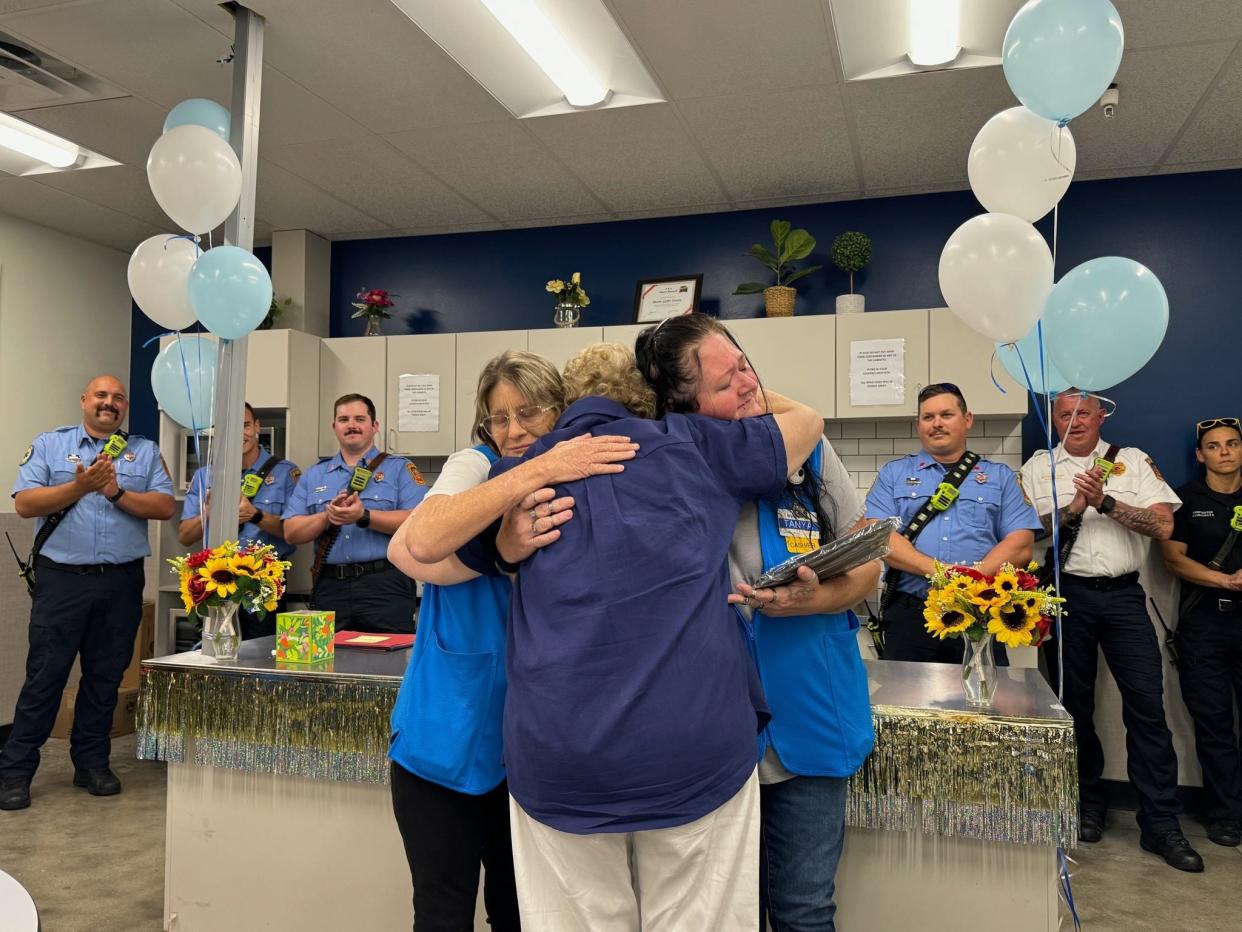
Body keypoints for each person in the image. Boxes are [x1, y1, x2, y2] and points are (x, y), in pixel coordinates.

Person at [460, 342, 824, 931]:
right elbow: (805, 424)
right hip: (693, 747)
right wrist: (738, 383)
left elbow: (429, 548)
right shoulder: (695, 442)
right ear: (653, 398)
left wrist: (508, 537)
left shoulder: (523, 473)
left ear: (565, 402)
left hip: (560, 755)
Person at [634, 313, 880, 932]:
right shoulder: (670, 461)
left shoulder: (810, 450)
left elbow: (869, 565)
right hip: (710, 730)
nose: (746, 384)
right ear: (683, 406)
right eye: (725, 383)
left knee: (804, 907)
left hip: (810, 712)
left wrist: (814, 600)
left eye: (745, 364)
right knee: (718, 914)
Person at [385, 351, 637, 932]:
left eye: (530, 413)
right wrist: (500, 553)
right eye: (499, 418)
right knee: (443, 914)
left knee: (523, 913)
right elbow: (407, 550)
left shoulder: (580, 478)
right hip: (443, 742)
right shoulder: (473, 467)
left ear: (562, 412)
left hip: (533, 750)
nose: (514, 430)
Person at [1019, 389, 1202, 871]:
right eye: (1064, 414)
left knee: (1147, 709)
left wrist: (1107, 500)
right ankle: (1086, 806)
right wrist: (1076, 507)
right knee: (1072, 707)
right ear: (1054, 420)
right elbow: (1028, 531)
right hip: (1066, 598)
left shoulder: (1134, 461)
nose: (1074, 421)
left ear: (1101, 416)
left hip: (1123, 596)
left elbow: (1163, 526)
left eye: (1084, 413)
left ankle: (1161, 823)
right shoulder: (1038, 467)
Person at [0, 375, 175, 811]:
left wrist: (114, 491)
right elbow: (25, 504)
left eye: (117, 398)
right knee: (46, 675)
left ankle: (92, 763)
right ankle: (16, 771)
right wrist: (79, 486)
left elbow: (165, 506)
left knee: (106, 676)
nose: (109, 403)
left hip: (120, 581)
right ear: (84, 401)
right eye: (101, 395)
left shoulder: (145, 451)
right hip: (62, 580)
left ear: (125, 408)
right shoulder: (50, 445)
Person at [865, 382, 1040, 664]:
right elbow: (880, 537)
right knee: (907, 704)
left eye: (946, 415)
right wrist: (938, 572)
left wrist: (971, 581)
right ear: (918, 424)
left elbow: (1021, 544)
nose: (936, 424)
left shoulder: (1001, 477)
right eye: (928, 417)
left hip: (981, 612)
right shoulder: (893, 474)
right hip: (912, 613)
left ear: (967, 419)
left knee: (983, 701)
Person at [1159, 417, 1242, 849]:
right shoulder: (1186, 500)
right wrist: (1226, 581)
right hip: (1205, 622)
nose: (1224, 452)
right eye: (1214, 446)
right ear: (1200, 455)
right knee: (1213, 725)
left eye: (1231, 444)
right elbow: (1173, 559)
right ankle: (1225, 815)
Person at [283, 393, 425, 633]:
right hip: (329, 587)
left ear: (375, 426)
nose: (351, 425)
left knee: (389, 663)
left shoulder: (400, 469)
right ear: (334, 427)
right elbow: (290, 532)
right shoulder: (313, 475)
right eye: (344, 419)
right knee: (326, 664)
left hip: (385, 584)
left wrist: (364, 516)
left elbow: (419, 522)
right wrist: (326, 516)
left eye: (359, 418)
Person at [177, 402, 299, 639]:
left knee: (261, 657)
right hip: (216, 580)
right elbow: (184, 536)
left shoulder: (285, 472)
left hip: (264, 581)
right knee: (217, 655)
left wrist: (255, 516)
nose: (239, 433)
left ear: (256, 427)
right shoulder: (205, 476)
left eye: (244, 425)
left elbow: (294, 534)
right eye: (230, 427)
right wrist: (209, 511)